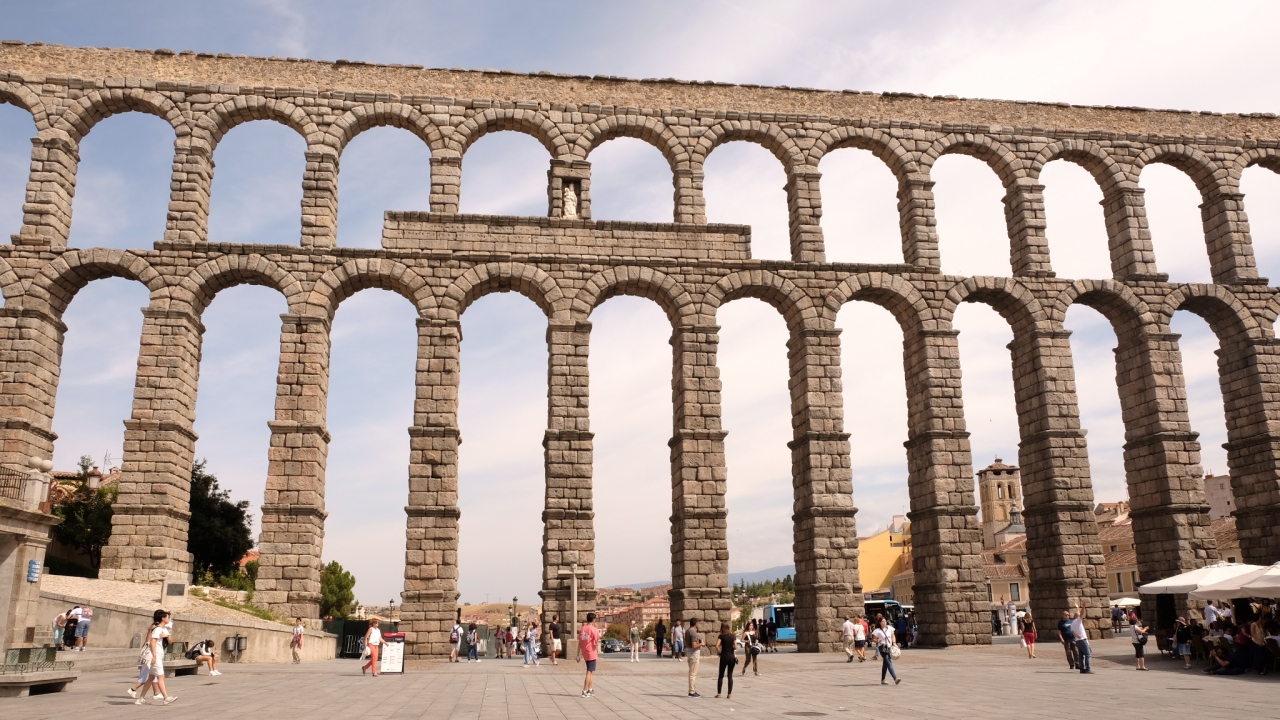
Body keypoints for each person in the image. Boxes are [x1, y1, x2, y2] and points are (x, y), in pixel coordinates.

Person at [128, 609, 175, 705]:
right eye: (168, 617)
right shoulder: (157, 629)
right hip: (156, 656)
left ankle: (141, 698)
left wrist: (167, 636)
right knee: (161, 676)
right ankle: (166, 697)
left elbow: (171, 642)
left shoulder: (164, 629)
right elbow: (152, 642)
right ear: (163, 618)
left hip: (159, 655)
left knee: (151, 678)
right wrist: (154, 656)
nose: (169, 618)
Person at [577, 612, 601, 698]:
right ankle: (584, 690)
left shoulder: (582, 629)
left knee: (591, 671)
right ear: (593, 620)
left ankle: (590, 689)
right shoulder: (594, 629)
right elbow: (597, 641)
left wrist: (578, 654)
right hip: (592, 652)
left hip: (585, 652)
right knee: (589, 672)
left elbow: (579, 642)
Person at [872, 617, 901, 685]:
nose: (884, 622)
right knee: (888, 661)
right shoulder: (877, 630)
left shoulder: (890, 628)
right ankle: (895, 678)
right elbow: (873, 639)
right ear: (880, 623)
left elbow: (893, 636)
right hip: (882, 647)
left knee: (885, 663)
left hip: (889, 647)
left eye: (885, 621)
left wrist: (894, 643)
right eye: (882, 621)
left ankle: (883, 679)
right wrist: (877, 640)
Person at [714, 622, 737, 699]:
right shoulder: (732, 636)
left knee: (721, 675)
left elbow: (716, 646)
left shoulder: (721, 636)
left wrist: (719, 653)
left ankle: (719, 693)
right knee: (730, 675)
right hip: (731, 657)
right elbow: (736, 647)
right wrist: (731, 649)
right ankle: (729, 694)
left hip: (724, 657)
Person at [1070, 602, 1092, 674]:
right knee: (1088, 654)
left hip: (1077, 641)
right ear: (1077, 617)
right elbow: (1081, 613)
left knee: (1081, 656)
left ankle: (1081, 669)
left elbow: (1072, 632)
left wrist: (1077, 636)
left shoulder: (1072, 623)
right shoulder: (1078, 621)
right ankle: (1088, 669)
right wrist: (1083, 606)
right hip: (1082, 640)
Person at [686, 617, 703, 698]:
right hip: (694, 655)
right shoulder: (693, 633)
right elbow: (694, 645)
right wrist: (701, 644)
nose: (698, 624)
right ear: (695, 623)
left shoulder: (687, 631)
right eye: (698, 623)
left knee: (692, 673)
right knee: (693, 674)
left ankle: (693, 690)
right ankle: (692, 692)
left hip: (690, 654)